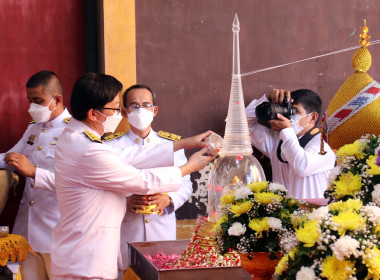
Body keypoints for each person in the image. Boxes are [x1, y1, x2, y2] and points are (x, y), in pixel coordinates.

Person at [50, 73, 214, 280]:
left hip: (83, 252)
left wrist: (183, 143)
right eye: (116, 108)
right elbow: (141, 180)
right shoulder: (89, 149)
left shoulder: (78, 138)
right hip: (87, 258)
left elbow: (129, 156)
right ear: (93, 114)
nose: (119, 114)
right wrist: (189, 167)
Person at [104, 84, 193, 277]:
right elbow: (104, 189)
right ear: (124, 112)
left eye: (146, 105)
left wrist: (169, 200)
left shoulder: (170, 144)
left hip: (162, 230)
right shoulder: (110, 146)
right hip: (126, 230)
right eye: (134, 106)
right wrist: (124, 201)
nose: (140, 110)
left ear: (155, 111)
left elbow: (185, 184)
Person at [0, 71, 70, 280]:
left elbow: (75, 182)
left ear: (57, 99)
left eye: (38, 101)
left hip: (57, 230)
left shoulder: (74, 132)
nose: (32, 107)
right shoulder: (34, 128)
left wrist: (33, 172)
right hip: (28, 230)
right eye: (30, 101)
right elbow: (12, 157)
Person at [246, 89, 335, 199]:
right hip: (281, 215)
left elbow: (301, 166)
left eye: (295, 111)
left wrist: (286, 130)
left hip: (312, 214)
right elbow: (242, 126)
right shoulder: (277, 141)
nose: (289, 116)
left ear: (313, 117)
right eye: (287, 110)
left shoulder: (322, 147)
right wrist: (266, 100)